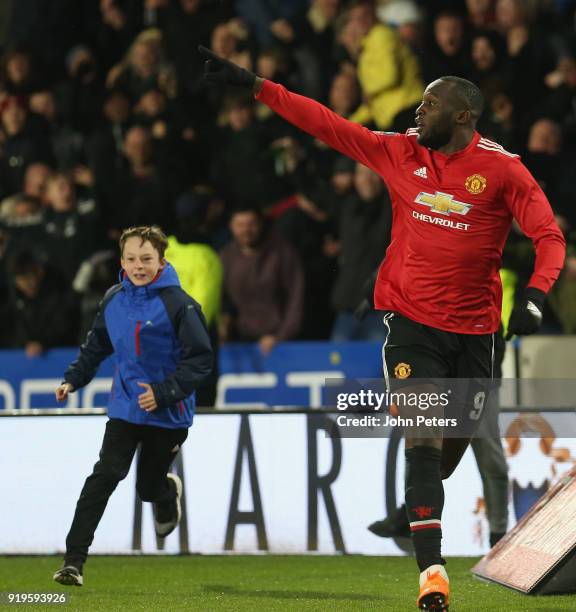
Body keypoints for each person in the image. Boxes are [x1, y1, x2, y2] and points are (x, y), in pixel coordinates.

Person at [198, 46, 566, 610]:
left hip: (476, 332)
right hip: (412, 322)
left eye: (431, 103)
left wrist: (536, 296)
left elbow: (549, 237)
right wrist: (256, 85)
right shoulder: (398, 153)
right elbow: (326, 121)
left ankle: (411, 511)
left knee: (447, 455)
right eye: (419, 101)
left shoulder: (503, 169)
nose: (418, 111)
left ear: (464, 116)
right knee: (423, 441)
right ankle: (433, 574)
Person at [52, 225, 213, 587]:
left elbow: (201, 360)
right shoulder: (113, 299)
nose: (138, 266)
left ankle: (166, 492)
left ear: (161, 260)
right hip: (125, 407)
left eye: (146, 259)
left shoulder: (180, 305)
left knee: (147, 489)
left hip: (168, 413)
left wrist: (165, 391)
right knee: (104, 476)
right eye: (131, 259)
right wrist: (73, 379)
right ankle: (73, 562)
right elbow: (96, 346)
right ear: (121, 260)